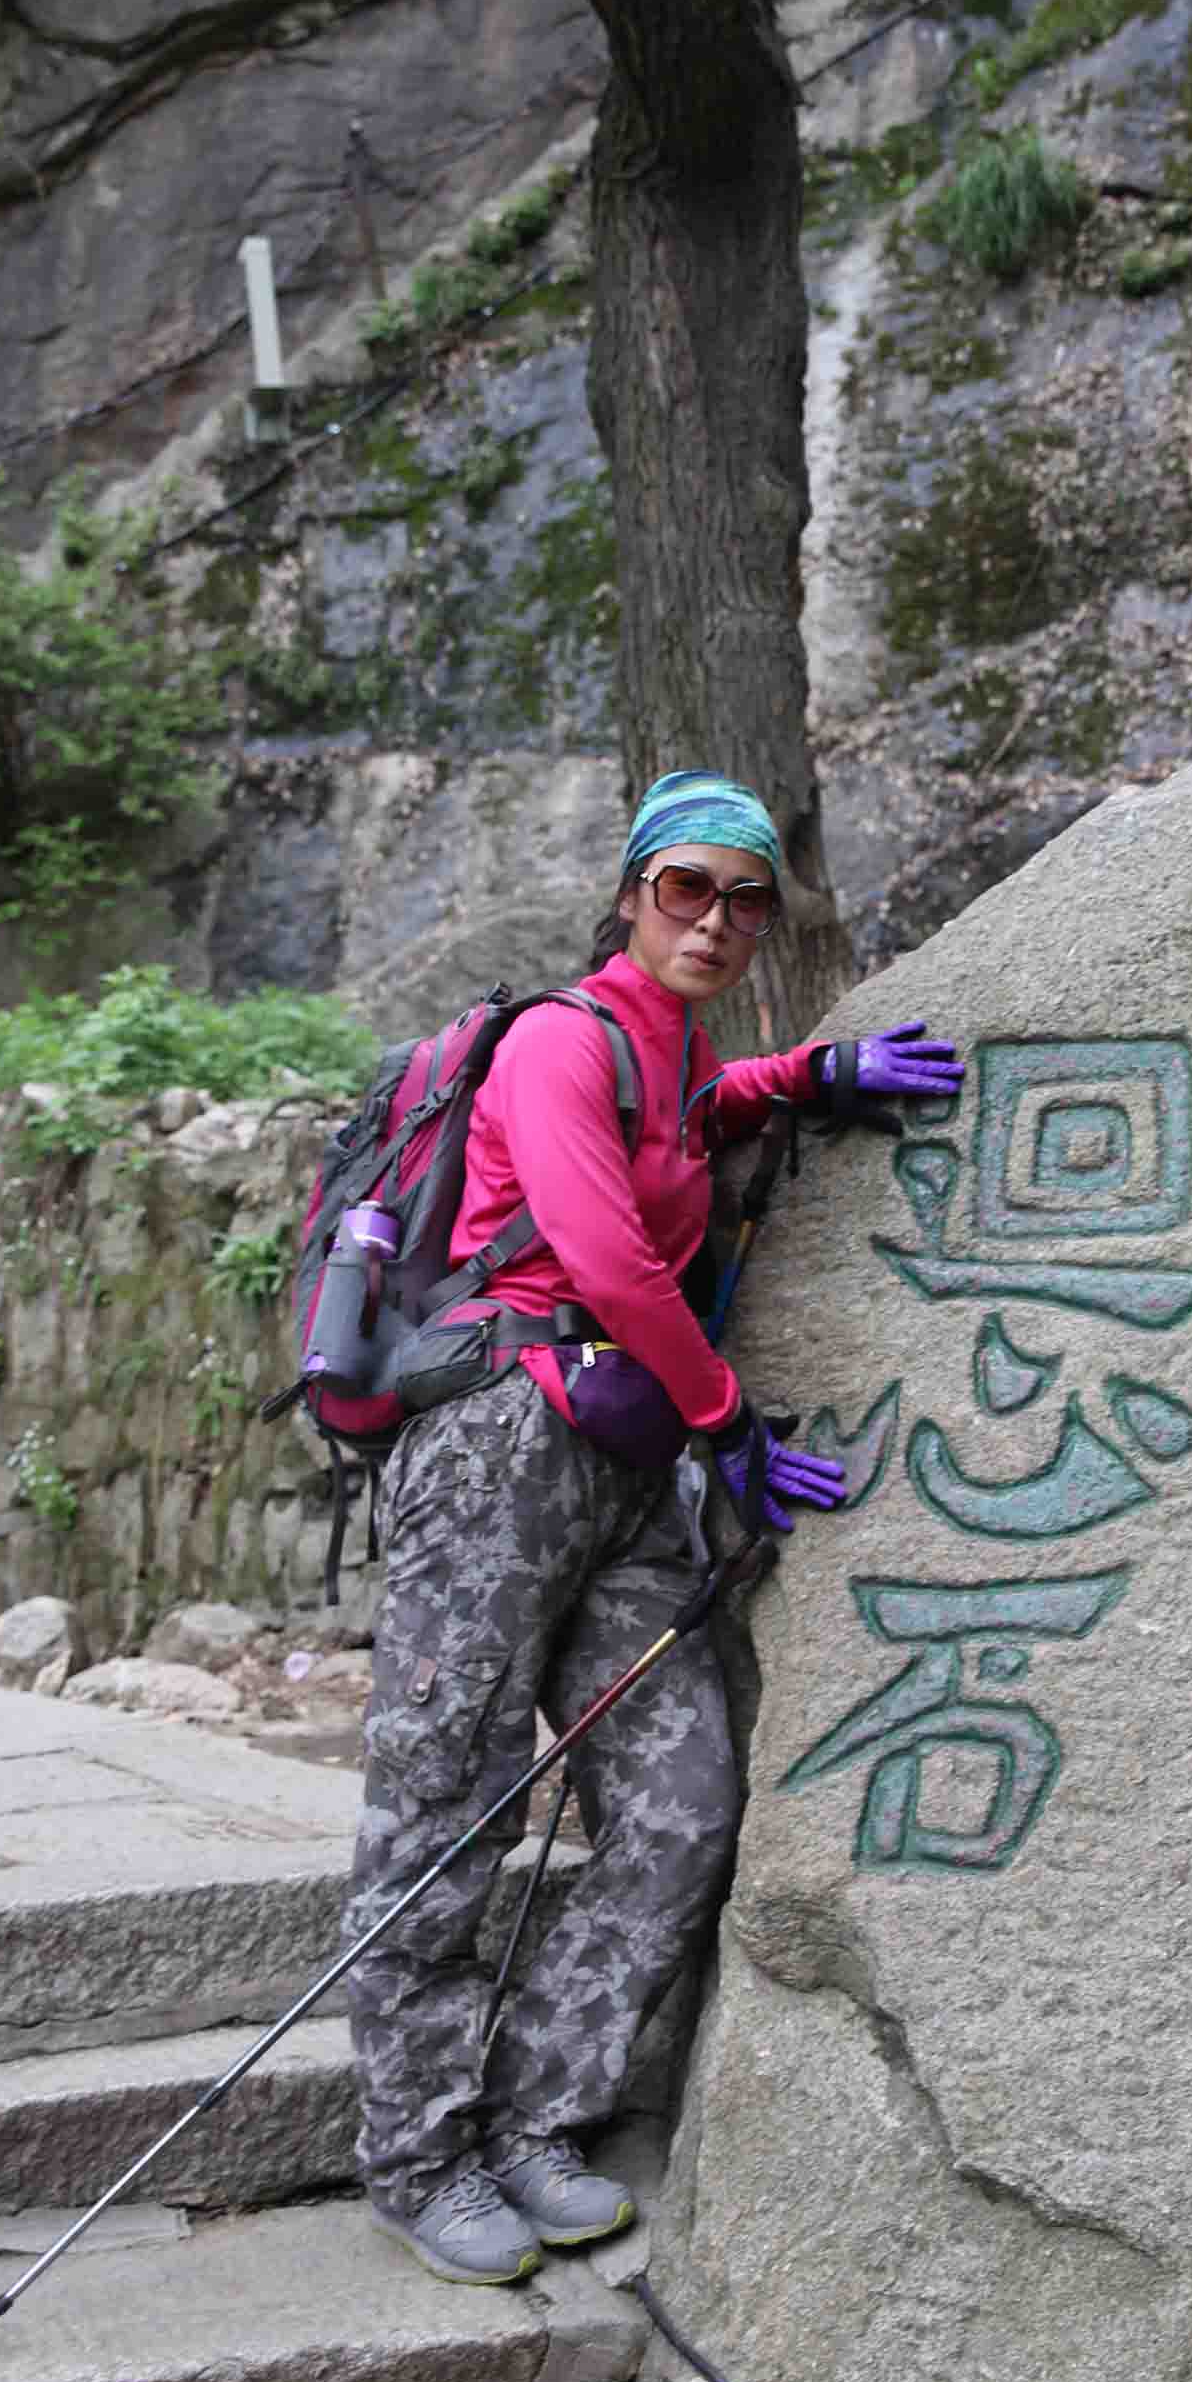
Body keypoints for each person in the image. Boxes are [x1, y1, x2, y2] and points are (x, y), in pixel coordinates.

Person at [345, 769, 964, 2283]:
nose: (718, 920)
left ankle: (542, 2118)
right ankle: (419, 2155)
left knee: (682, 1807)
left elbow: (693, 1114)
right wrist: (732, 1425)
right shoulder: (562, 1040)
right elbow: (613, 1265)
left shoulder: (672, 1052)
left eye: (747, 898)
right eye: (689, 887)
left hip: (621, 1470)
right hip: (500, 1451)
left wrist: (806, 1079)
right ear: (633, 891)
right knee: (449, 1801)